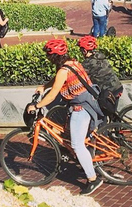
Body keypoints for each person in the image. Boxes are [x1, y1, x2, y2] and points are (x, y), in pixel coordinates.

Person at [30, 39, 104, 195]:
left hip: (81, 108)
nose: (47, 58)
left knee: (77, 145)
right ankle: (88, 157)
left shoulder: (63, 70)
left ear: (54, 56)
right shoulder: (71, 63)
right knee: (70, 134)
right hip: (89, 103)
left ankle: (93, 179)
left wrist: (36, 106)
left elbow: (52, 96)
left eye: (48, 55)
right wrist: (44, 86)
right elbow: (57, 80)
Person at [78, 35, 123, 115]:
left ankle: (104, 127)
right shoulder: (100, 55)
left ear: (84, 51)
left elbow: (79, 76)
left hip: (108, 92)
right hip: (117, 87)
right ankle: (117, 126)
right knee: (112, 113)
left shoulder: (88, 63)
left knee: (101, 113)